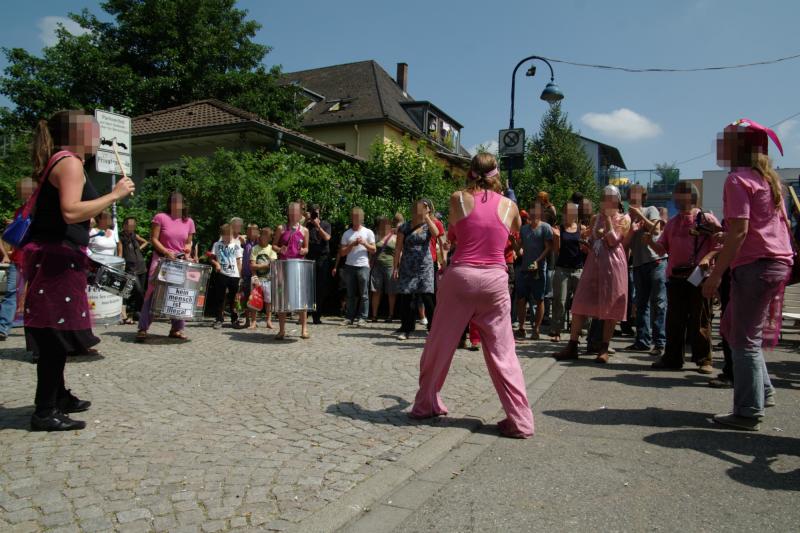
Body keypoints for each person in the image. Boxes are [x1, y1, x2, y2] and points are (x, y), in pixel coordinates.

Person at [23, 110, 135, 431]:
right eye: (92, 130)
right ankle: (45, 410)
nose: (98, 136)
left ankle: (57, 395)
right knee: (55, 334)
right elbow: (71, 212)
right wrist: (113, 195)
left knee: (58, 330)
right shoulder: (69, 162)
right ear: (75, 134)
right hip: (57, 258)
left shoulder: (65, 161)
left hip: (60, 257)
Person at [411, 153, 533, 438]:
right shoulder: (510, 206)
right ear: (496, 174)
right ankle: (520, 421)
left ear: (470, 172)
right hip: (495, 281)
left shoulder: (458, 199)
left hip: (462, 276)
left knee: (439, 344)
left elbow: (453, 236)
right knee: (503, 353)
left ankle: (425, 403)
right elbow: (514, 235)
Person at [703, 118, 794, 431]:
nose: (719, 146)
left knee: (744, 339)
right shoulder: (768, 180)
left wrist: (716, 274)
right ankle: (762, 390)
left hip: (755, 265)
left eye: (724, 141)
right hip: (774, 263)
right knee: (732, 328)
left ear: (738, 148)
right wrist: (724, 235)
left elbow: (741, 232)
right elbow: (750, 229)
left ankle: (747, 411)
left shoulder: (738, 180)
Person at [646, 181, 720, 374]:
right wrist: (650, 243)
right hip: (676, 277)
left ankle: (704, 359)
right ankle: (672, 358)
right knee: (674, 320)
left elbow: (720, 244)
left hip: (699, 277)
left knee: (701, 319)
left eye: (682, 193)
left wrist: (707, 258)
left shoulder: (707, 219)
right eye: (677, 193)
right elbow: (663, 249)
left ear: (692, 197)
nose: (677, 197)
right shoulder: (672, 222)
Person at [554, 185, 631, 363]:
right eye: (604, 197)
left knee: (610, 306)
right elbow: (594, 238)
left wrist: (610, 219)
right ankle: (572, 345)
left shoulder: (624, 219)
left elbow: (613, 240)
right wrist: (587, 242)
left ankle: (603, 347)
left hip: (613, 265)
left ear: (617, 200)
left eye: (610, 198)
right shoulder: (596, 218)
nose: (606, 201)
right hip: (593, 264)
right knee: (580, 301)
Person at [137, 191, 196, 341]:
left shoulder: (188, 221)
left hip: (179, 261)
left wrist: (188, 250)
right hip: (162, 260)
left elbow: (188, 242)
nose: (176, 204)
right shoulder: (160, 217)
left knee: (179, 294)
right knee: (152, 292)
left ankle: (177, 328)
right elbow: (154, 239)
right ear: (169, 203)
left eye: (179, 202)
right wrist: (165, 251)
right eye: (173, 201)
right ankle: (143, 328)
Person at [623, 184, 667, 356]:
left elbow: (656, 229)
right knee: (641, 304)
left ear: (643, 196)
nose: (633, 197)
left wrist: (640, 215)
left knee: (659, 303)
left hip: (656, 261)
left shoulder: (650, 209)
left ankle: (660, 343)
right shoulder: (627, 218)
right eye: (630, 194)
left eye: (637, 194)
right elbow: (625, 244)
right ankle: (642, 341)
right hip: (639, 264)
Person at [393, 199, 439, 340]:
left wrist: (426, 217)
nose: (421, 210)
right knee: (407, 298)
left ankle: (433, 328)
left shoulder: (428, 225)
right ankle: (406, 328)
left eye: (424, 208)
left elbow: (436, 233)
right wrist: (395, 267)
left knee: (428, 297)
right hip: (408, 266)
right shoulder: (404, 227)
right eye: (418, 208)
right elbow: (398, 248)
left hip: (425, 267)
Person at [1, 177, 35, 342]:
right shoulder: (19, 211)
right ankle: (2, 328)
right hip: (18, 258)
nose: (24, 196)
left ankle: (36, 328)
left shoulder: (40, 211)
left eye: (27, 192)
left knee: (35, 295)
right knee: (11, 293)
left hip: (35, 258)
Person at [513, 200, 553, 340]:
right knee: (521, 299)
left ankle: (536, 329)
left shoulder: (546, 228)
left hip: (539, 270)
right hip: (524, 269)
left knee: (539, 299)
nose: (534, 213)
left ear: (540, 213)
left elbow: (549, 248)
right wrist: (513, 243)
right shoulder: (524, 229)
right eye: (532, 211)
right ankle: (522, 328)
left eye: (536, 211)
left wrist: (537, 261)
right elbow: (519, 251)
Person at [549, 202, 587, 342]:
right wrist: (557, 238)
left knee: (580, 302)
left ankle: (580, 330)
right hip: (562, 269)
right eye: (567, 211)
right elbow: (556, 251)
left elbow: (585, 248)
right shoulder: (559, 229)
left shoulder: (581, 229)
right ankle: (557, 331)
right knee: (560, 301)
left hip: (578, 269)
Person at [274, 202, 311, 339]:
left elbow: (307, 248)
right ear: (289, 213)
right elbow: (273, 246)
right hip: (283, 265)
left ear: (300, 214)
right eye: (292, 211)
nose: (294, 214)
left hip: (298, 265)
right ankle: (282, 330)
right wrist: (279, 249)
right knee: (283, 297)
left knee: (302, 298)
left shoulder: (304, 230)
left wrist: (303, 250)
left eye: (297, 212)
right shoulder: (281, 228)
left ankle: (304, 329)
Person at [340, 207, 375, 327]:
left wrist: (364, 243)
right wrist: (352, 244)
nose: (356, 219)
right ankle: (349, 317)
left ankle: (363, 318)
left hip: (363, 266)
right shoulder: (347, 233)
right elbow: (342, 253)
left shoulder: (368, 232)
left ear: (362, 218)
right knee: (350, 294)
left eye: (358, 216)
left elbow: (374, 249)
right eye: (354, 216)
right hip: (349, 266)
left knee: (364, 294)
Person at [210, 223, 243, 329]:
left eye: (229, 235)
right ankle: (219, 319)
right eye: (225, 235)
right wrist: (216, 264)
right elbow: (211, 258)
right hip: (222, 273)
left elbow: (238, 262)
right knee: (220, 297)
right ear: (222, 235)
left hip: (234, 275)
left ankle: (235, 319)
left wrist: (240, 276)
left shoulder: (236, 245)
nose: (227, 237)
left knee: (234, 299)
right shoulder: (217, 245)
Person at [117, 216, 148, 322]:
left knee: (140, 291)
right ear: (125, 225)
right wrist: (120, 267)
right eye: (130, 225)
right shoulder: (120, 237)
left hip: (141, 267)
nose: (132, 227)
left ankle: (133, 314)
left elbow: (146, 242)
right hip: (130, 268)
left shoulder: (134, 235)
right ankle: (128, 312)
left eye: (134, 225)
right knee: (137, 290)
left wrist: (139, 248)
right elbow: (120, 253)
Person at [306, 204, 332, 324]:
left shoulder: (325, 224)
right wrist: (305, 221)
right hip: (310, 258)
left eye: (316, 212)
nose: (315, 215)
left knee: (320, 288)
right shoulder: (306, 225)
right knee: (308, 287)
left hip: (322, 258)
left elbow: (327, 238)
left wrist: (317, 226)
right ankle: (305, 314)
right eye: (313, 212)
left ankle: (317, 315)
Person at [370, 216, 398, 322]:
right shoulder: (376, 236)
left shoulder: (395, 237)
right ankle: (374, 315)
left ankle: (390, 315)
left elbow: (398, 253)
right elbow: (371, 252)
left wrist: (397, 268)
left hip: (390, 266)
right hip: (377, 266)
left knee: (391, 292)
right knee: (376, 291)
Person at [250, 226, 277, 329]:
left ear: (270, 238)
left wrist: (259, 266)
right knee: (254, 300)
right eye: (262, 235)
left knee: (268, 301)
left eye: (266, 236)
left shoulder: (272, 249)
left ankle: (268, 321)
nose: (263, 237)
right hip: (257, 278)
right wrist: (255, 274)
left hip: (268, 279)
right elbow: (252, 266)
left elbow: (272, 264)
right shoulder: (255, 248)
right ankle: (253, 321)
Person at [240, 223, 260, 329]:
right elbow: (238, 237)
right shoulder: (244, 242)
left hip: (255, 274)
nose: (252, 232)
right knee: (246, 298)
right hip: (246, 274)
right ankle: (247, 320)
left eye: (254, 230)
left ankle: (254, 321)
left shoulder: (259, 243)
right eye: (249, 230)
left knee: (254, 299)